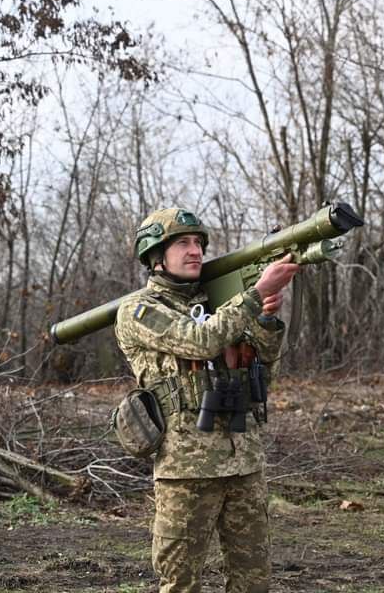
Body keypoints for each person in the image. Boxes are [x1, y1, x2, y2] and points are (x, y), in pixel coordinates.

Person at [114, 207, 299, 593]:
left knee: (253, 580)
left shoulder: (223, 304)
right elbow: (198, 340)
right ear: (155, 256)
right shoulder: (139, 310)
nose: (194, 250)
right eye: (182, 243)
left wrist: (265, 321)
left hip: (243, 462)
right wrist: (255, 294)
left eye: (198, 242)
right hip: (187, 471)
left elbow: (263, 374)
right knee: (180, 582)